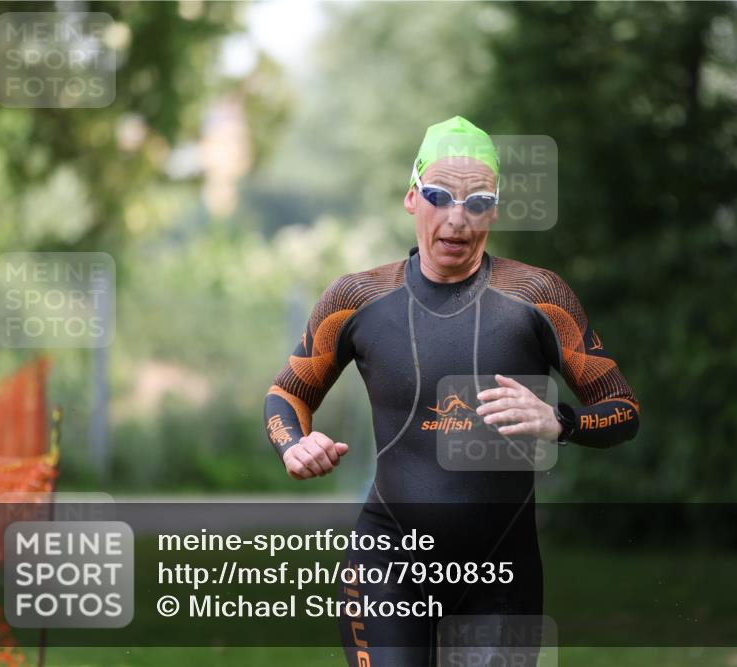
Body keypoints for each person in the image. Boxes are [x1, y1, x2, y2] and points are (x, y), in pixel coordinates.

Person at [263, 115, 640, 666]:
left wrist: (561, 422)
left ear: (496, 209)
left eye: (479, 201)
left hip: (499, 574)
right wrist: (292, 443)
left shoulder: (539, 297)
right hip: (387, 563)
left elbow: (624, 410)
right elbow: (287, 393)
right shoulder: (357, 298)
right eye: (440, 196)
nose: (458, 220)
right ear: (412, 198)